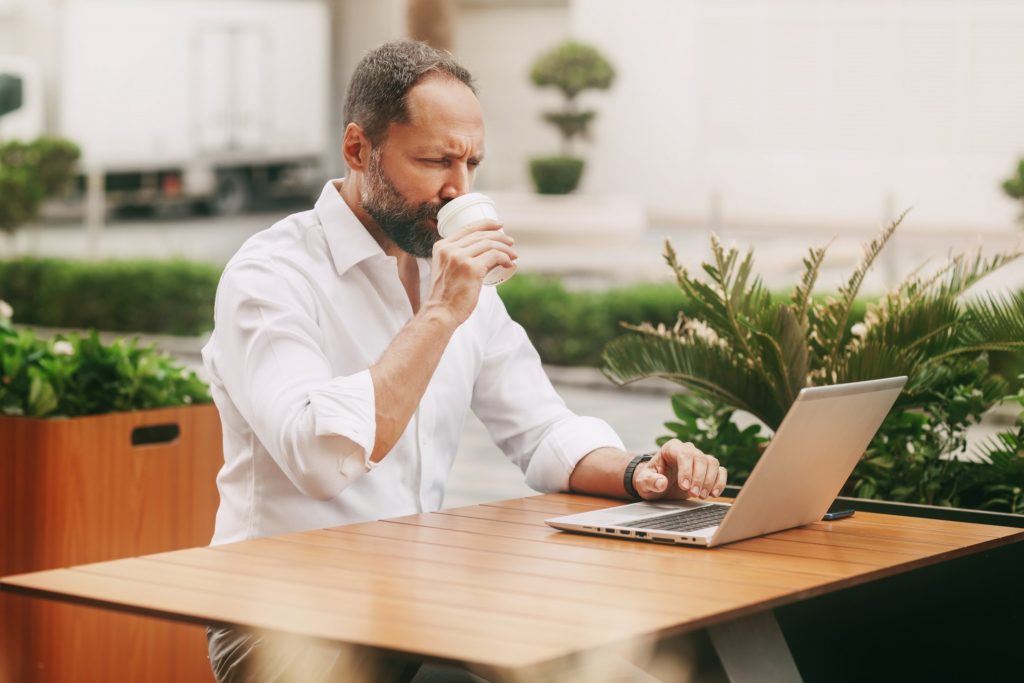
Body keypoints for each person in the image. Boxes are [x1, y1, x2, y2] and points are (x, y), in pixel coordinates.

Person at [201, 40, 726, 683]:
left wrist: (640, 472)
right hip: (281, 622)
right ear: (358, 149)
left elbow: (540, 430)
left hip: (418, 602)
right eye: (435, 160)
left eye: (473, 162)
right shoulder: (270, 275)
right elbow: (318, 457)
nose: (459, 188)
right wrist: (440, 315)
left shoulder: (448, 271)